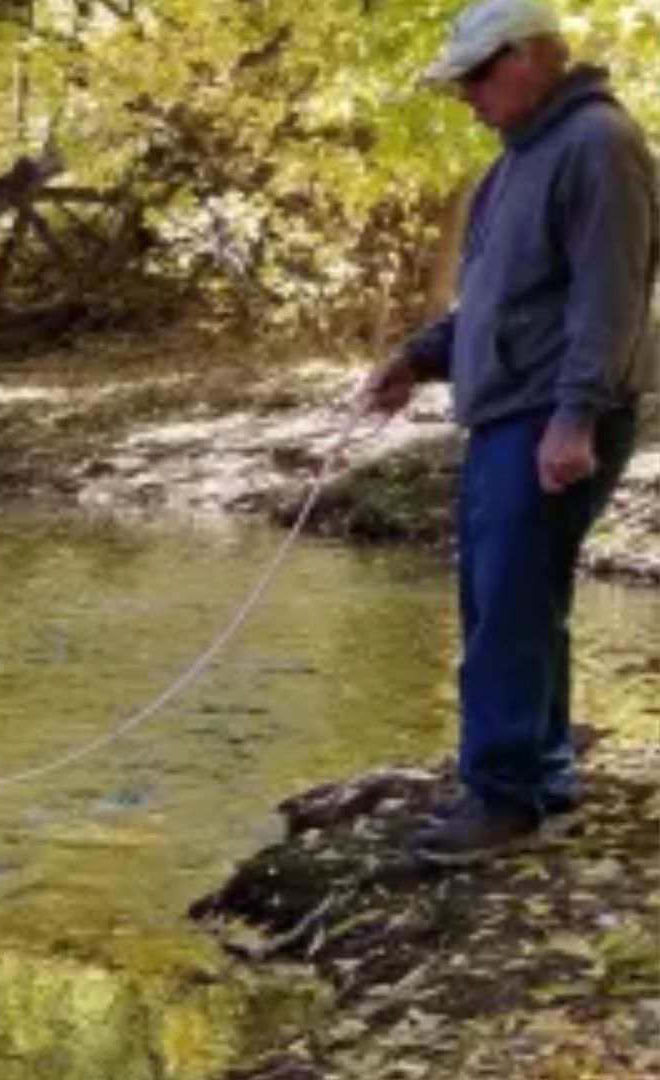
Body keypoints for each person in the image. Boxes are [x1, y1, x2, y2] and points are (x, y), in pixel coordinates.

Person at [361, 0, 656, 862]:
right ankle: (543, 776)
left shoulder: (600, 145)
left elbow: (612, 299)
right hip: (508, 413)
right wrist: (416, 360)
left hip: (553, 415)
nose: (466, 95)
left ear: (531, 57)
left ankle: (505, 800)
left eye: (477, 75)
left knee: (510, 610)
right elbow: (493, 304)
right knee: (509, 601)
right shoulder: (510, 167)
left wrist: (574, 420)